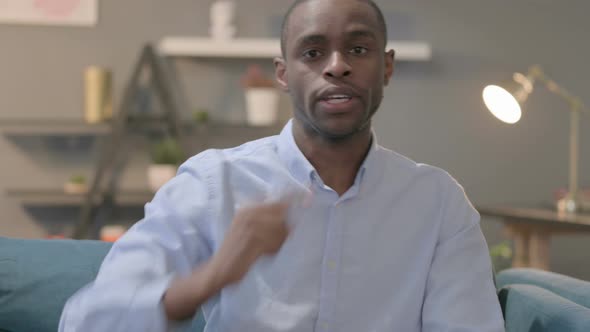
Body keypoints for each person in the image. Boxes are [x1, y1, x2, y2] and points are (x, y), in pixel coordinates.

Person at [59, 0, 505, 331]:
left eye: (358, 49)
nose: (337, 67)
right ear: (282, 74)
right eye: (312, 53)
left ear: (386, 67)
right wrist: (207, 280)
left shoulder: (439, 202)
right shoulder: (214, 184)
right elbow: (86, 321)